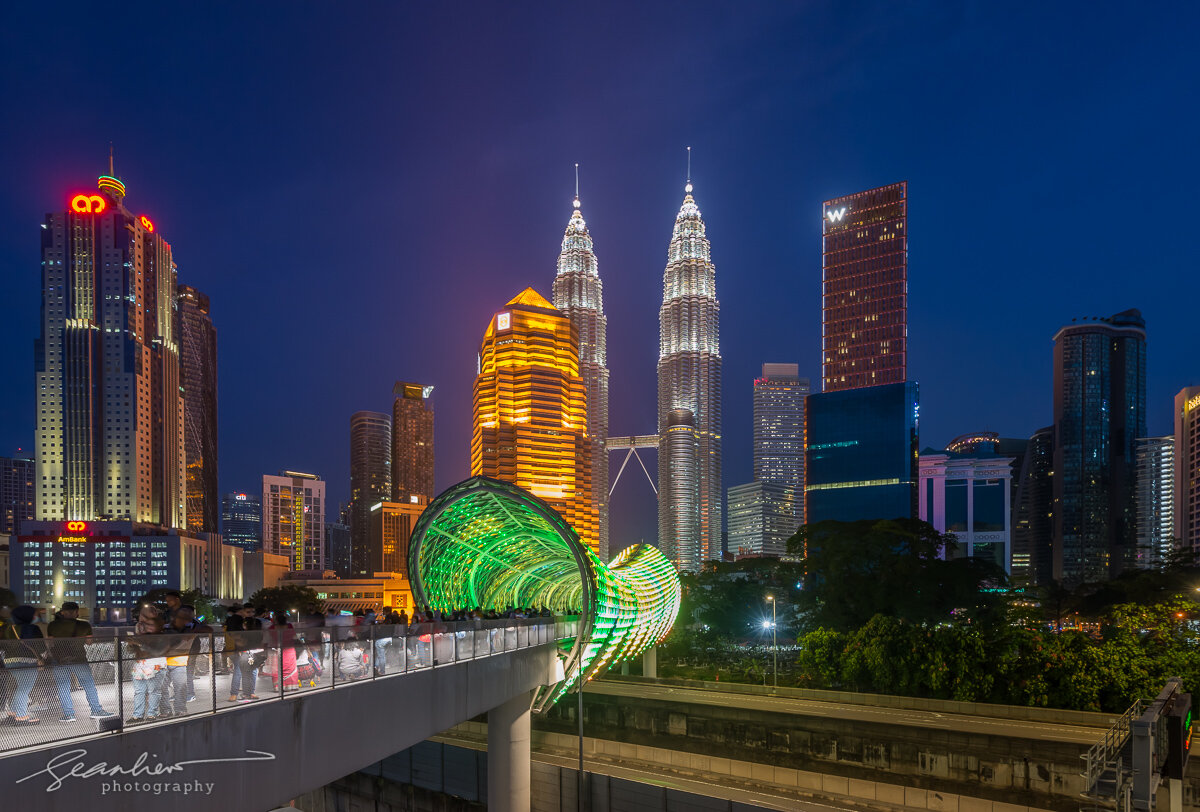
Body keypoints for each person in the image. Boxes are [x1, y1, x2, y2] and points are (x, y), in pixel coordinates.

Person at [46, 602, 114, 722]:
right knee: (88, 685)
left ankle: (69, 715)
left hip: (59, 660)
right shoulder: (84, 625)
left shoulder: (52, 625)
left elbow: (50, 642)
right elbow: (89, 642)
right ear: (77, 612)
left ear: (62, 612)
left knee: (63, 687)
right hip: (78, 659)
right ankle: (96, 710)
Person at [1, 606, 48, 725]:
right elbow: (40, 646)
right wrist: (42, 658)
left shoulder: (7, 628)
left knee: (21, 687)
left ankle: (13, 713)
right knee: (24, 688)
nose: (35, 617)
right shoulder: (32, 628)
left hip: (9, 662)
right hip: (28, 662)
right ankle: (21, 716)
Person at [128, 610, 167, 722]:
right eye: (146, 625)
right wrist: (131, 645)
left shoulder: (162, 637)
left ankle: (152, 714)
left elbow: (157, 651)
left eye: (151, 625)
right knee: (139, 692)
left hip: (156, 666)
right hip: (140, 667)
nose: (147, 627)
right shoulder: (141, 636)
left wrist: (139, 644)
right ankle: (138, 715)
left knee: (153, 691)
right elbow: (131, 651)